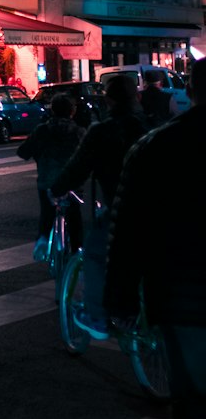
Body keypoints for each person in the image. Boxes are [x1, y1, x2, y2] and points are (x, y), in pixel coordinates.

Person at [105, 58, 206, 419]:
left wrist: (119, 297)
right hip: (183, 299)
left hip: (185, 302)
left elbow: (130, 226)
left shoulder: (158, 148)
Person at [49, 75, 149, 338]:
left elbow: (76, 169)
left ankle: (97, 317)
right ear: (136, 98)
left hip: (122, 209)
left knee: (94, 253)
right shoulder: (151, 126)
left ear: (108, 100)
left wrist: (56, 189)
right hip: (160, 208)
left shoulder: (102, 132)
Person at [16, 93, 83, 260]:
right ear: (72, 111)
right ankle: (77, 253)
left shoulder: (42, 130)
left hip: (48, 179)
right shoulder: (78, 131)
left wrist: (38, 154)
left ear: (52, 110)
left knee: (47, 212)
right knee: (75, 217)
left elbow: (23, 151)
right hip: (71, 182)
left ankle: (43, 239)